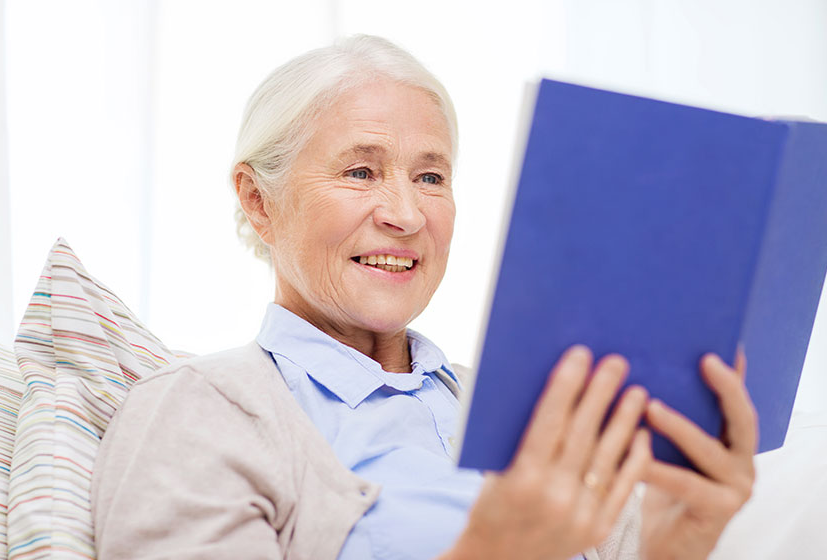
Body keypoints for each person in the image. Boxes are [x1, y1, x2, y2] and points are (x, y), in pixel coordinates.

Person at [91, 35, 757, 560]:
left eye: (431, 175)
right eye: (360, 171)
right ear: (258, 202)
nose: (406, 214)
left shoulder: (524, 402)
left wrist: (677, 547)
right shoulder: (202, 408)